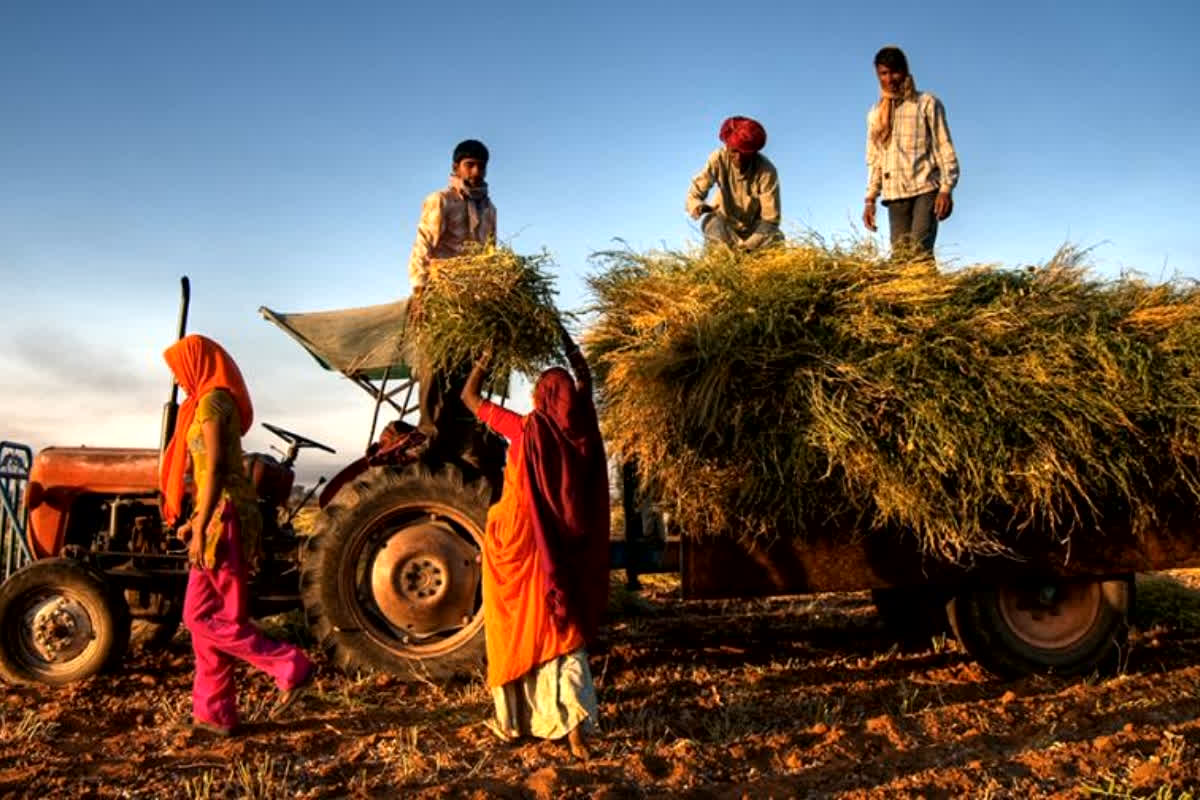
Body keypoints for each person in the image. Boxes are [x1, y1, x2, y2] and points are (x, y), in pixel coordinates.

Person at [460, 327, 610, 760]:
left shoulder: (525, 427)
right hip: (561, 548)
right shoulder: (582, 426)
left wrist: (488, 352)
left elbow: (469, 397)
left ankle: (517, 720)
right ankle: (575, 727)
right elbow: (585, 379)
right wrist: (564, 339)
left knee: (518, 626)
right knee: (563, 629)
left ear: (541, 397)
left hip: (518, 543)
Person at [161, 334, 314, 737]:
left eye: (178, 369)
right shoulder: (211, 401)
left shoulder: (212, 402)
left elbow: (214, 468)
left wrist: (202, 524)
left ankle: (289, 664)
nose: (177, 379)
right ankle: (215, 712)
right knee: (210, 620)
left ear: (196, 363)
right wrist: (195, 518)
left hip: (224, 518)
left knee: (199, 617)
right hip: (217, 512)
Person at [406, 139, 499, 468]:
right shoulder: (441, 201)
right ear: (456, 167)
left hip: (472, 302)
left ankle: (465, 437)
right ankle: (428, 434)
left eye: (481, 166)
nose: (476, 171)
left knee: (471, 368)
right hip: (440, 295)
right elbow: (422, 247)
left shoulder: (489, 209)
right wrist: (420, 293)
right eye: (469, 165)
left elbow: (490, 256)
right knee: (435, 364)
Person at [862, 46, 960, 258]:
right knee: (901, 258)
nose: (890, 79)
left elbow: (944, 146)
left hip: (926, 188)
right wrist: (870, 199)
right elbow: (875, 159)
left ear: (905, 71)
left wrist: (946, 189)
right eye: (884, 73)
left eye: (895, 72)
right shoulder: (876, 114)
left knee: (919, 250)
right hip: (895, 194)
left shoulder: (926, 103)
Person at [686, 116, 782, 251]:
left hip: (755, 232)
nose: (738, 158)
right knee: (712, 223)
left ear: (753, 152)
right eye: (734, 151)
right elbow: (695, 193)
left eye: (744, 153)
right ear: (727, 147)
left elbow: (770, 219)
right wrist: (697, 206)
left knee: (775, 235)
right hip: (724, 227)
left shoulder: (767, 171)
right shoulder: (718, 159)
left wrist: (747, 247)